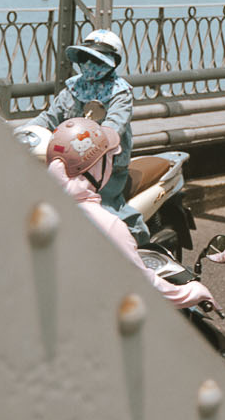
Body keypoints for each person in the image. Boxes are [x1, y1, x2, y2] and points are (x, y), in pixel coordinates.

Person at [44, 117, 216, 314]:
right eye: (107, 159)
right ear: (93, 168)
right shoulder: (107, 225)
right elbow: (143, 285)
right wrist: (190, 292)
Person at [31, 27, 148, 244]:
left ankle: (139, 241)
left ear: (111, 61)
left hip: (105, 167)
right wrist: (23, 133)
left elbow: (115, 125)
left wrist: (103, 137)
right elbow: (49, 117)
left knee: (104, 209)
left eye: (97, 60)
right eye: (85, 57)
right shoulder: (74, 88)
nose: (89, 65)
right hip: (67, 162)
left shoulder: (120, 92)